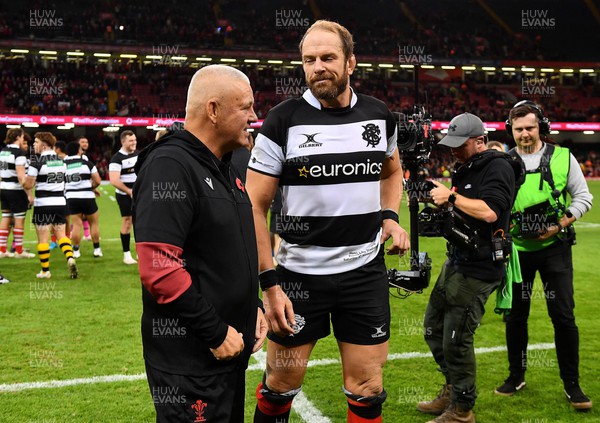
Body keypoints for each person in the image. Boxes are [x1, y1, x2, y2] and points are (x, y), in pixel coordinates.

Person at [246, 20, 410, 423]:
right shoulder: (282, 121)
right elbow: (253, 205)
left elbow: (391, 173)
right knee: (281, 384)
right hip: (299, 276)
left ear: (351, 63)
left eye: (328, 58)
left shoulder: (378, 115)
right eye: (309, 60)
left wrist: (389, 216)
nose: (318, 66)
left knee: (368, 388)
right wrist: (270, 285)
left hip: (364, 272)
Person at [133, 64, 267, 423]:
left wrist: (251, 304)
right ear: (213, 109)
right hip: (193, 363)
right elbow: (158, 267)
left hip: (225, 356)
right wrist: (215, 331)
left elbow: (227, 250)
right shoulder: (170, 165)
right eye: (246, 107)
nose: (254, 116)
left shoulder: (223, 166)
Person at [419, 112, 517, 423]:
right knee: (433, 327)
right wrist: (445, 202)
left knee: (457, 338)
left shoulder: (498, 166)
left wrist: (451, 196)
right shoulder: (467, 166)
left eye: (460, 145)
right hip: (458, 259)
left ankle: (462, 410)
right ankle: (453, 388)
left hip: (480, 266)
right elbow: (464, 207)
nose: (454, 150)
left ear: (480, 141)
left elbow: (489, 212)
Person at [495, 101, 593, 410]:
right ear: (511, 130)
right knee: (515, 317)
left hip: (555, 249)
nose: (524, 134)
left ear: (542, 128)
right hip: (518, 253)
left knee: (563, 316)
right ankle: (516, 376)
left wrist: (559, 225)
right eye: (518, 129)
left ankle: (572, 384)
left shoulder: (563, 157)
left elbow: (583, 197)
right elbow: (495, 205)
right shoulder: (503, 161)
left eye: (530, 128)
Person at [22, 132, 77, 279]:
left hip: (43, 204)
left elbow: (29, 184)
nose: (34, 145)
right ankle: (70, 258)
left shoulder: (36, 162)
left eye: (36, 142)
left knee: (43, 239)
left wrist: (21, 179)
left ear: (44, 145)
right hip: (60, 202)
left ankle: (45, 271)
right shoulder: (62, 162)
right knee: (61, 235)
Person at [64, 142, 103, 258]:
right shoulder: (87, 164)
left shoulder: (63, 165)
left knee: (76, 224)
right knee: (94, 224)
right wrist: (92, 188)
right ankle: (97, 249)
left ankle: (76, 251)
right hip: (87, 197)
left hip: (71, 198)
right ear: (78, 151)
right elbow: (98, 181)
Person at [0, 128, 34, 258]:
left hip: (3, 188)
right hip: (15, 189)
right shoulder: (19, 153)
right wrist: (29, 194)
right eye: (22, 137)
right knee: (19, 219)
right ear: (18, 137)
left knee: (5, 217)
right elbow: (21, 177)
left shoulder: (2, 151)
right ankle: (19, 250)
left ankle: (2, 249)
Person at [109, 130, 138, 264]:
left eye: (135, 140)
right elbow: (114, 180)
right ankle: (127, 255)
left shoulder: (139, 154)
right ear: (123, 142)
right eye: (131, 141)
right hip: (125, 195)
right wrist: (129, 191)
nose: (134, 143)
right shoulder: (116, 158)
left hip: (139, 195)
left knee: (140, 223)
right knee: (127, 222)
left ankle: (140, 252)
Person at [77, 136, 94, 241]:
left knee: (83, 213)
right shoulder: (78, 157)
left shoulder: (85, 157)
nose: (85, 144)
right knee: (77, 214)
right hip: (77, 189)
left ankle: (87, 234)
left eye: (86, 142)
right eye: (82, 142)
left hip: (84, 188)